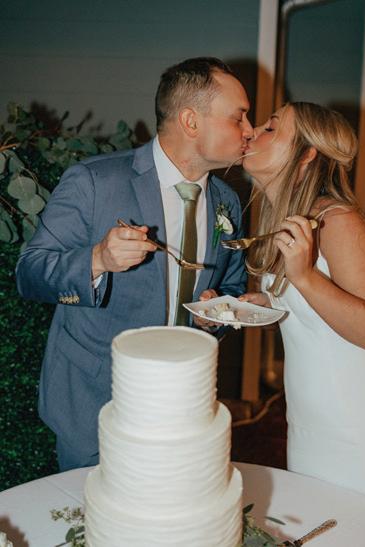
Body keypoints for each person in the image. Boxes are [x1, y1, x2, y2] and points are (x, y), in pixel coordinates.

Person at [16, 57, 253, 471]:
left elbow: (232, 284)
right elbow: (29, 272)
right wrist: (97, 259)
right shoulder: (94, 181)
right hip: (94, 402)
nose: (249, 130)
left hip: (185, 404)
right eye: (239, 117)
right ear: (191, 121)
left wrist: (216, 312)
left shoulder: (227, 202)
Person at [239, 101, 365, 530]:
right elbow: (314, 312)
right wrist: (264, 304)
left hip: (364, 426)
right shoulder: (293, 220)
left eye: (272, 127)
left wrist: (305, 277)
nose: (254, 130)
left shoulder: (338, 221)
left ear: (306, 154)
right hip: (313, 423)